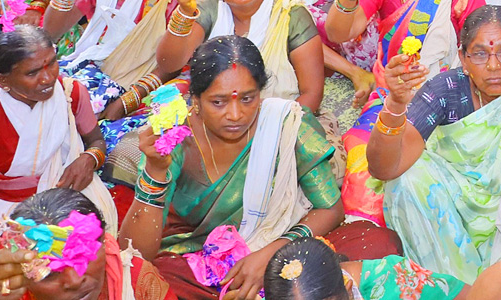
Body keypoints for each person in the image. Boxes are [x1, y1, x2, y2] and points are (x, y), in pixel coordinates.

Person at [117, 36, 399, 300]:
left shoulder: (285, 124)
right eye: (218, 102)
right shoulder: (174, 137)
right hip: (197, 262)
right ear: (196, 100)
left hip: (282, 246)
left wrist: (270, 254)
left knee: (375, 242)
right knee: (142, 279)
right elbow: (136, 251)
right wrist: (155, 170)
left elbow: (330, 209)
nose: (236, 115)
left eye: (248, 99)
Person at [367, 5, 501, 280]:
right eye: (479, 54)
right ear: (463, 59)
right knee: (407, 179)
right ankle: (454, 285)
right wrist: (395, 103)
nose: (493, 65)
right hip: (454, 214)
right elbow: (386, 169)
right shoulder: (446, 90)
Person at [327, 0, 486, 223]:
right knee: (363, 172)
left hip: (447, 100)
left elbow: (479, 55)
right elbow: (338, 32)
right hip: (390, 97)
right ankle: (369, 235)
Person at [0, 21, 117, 224]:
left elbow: (97, 141)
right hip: (4, 212)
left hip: (68, 201)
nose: (48, 78)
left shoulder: (70, 93)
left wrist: (89, 159)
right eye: (33, 73)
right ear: (2, 80)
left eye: (52, 63)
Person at [40, 0, 175, 146]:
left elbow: (172, 65)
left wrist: (127, 101)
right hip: (87, 68)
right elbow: (51, 31)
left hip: (134, 81)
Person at [155, 0, 325, 112]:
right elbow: (169, 63)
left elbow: (312, 93)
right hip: (215, 120)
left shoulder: (290, 14)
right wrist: (183, 12)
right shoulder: (210, 9)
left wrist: (272, 129)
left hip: (279, 118)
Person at [0, 188, 174, 300]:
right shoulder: (7, 293)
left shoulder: (139, 283)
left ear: (104, 242)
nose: (75, 281)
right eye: (49, 273)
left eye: (82, 258)